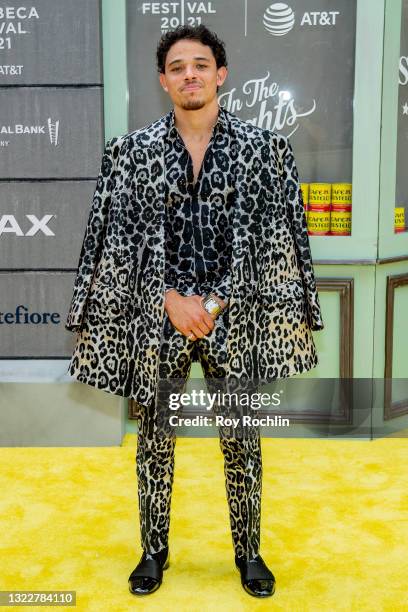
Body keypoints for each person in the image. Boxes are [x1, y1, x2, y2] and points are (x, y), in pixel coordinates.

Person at [65, 24, 324, 600]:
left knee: (242, 438)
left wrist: (207, 304)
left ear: (220, 74)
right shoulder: (129, 154)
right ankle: (153, 551)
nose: (190, 74)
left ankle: (248, 550)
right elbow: (114, 242)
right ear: (163, 80)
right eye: (178, 66)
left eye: (201, 64)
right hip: (158, 319)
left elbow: (274, 240)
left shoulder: (265, 151)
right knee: (154, 438)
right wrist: (168, 299)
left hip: (233, 318)